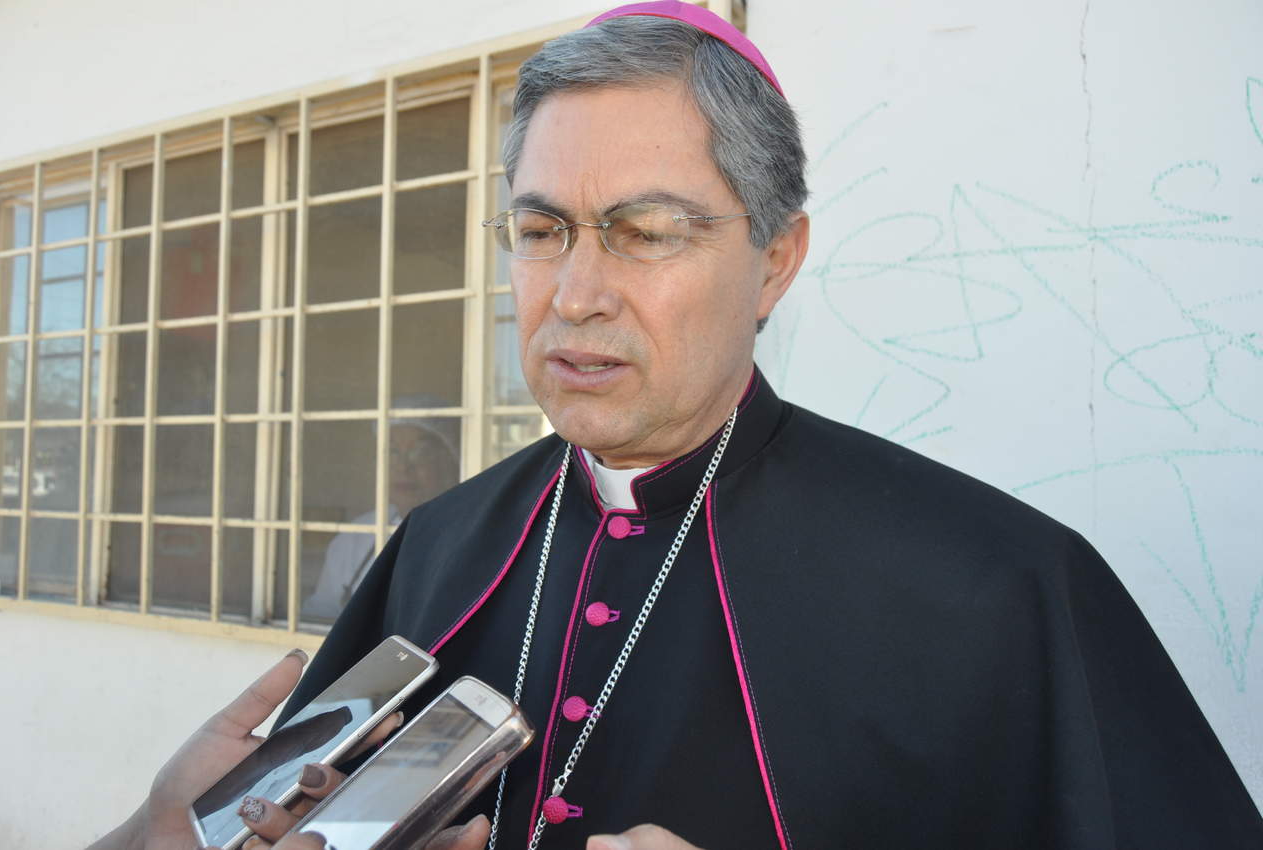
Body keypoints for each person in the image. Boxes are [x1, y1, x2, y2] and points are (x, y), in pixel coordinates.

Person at [109, 3, 1263, 849]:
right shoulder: (439, 546)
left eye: (646, 232)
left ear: (775, 259)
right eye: (541, 231)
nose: (575, 294)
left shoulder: (998, 586)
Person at [302, 401, 459, 620]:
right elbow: (320, 614)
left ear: (449, 460)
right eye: (392, 451)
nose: (403, 467)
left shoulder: (466, 531)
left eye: (420, 452)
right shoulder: (356, 536)